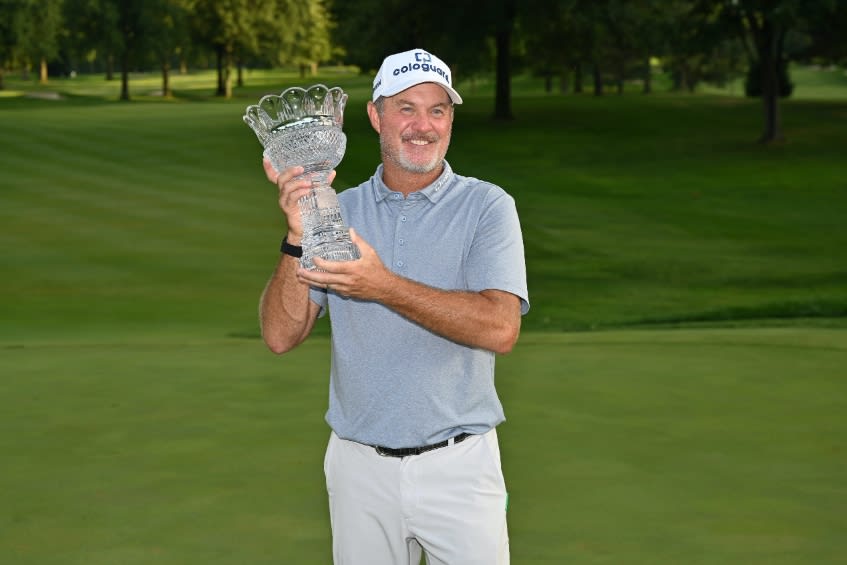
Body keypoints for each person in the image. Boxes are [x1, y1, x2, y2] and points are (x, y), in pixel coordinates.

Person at [259, 48, 529, 565]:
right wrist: (297, 235)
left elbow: (501, 329)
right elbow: (280, 335)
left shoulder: (487, 206)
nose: (422, 126)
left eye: (437, 110)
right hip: (360, 469)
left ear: (451, 119)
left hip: (460, 467)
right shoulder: (338, 209)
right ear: (375, 116)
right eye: (406, 108)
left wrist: (382, 285)